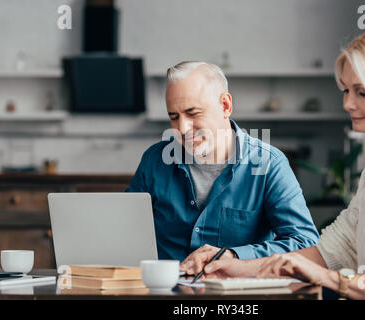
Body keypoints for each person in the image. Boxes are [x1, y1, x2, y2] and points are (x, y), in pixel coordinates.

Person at [202, 26, 365, 300]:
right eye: (346, 90)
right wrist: (241, 268)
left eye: (362, 92)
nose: (348, 103)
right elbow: (335, 249)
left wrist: (330, 279)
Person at [126, 61, 319, 270]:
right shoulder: (154, 161)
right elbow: (125, 227)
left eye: (193, 113)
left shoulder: (269, 164)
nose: (182, 128)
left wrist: (234, 255)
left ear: (225, 106)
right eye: (174, 117)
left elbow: (305, 243)